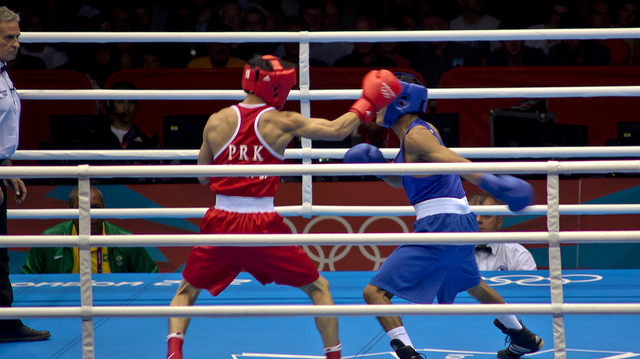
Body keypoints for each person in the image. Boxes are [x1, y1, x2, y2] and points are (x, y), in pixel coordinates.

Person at [165, 54, 402, 359]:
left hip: (220, 222)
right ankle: (334, 357)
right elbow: (336, 131)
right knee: (319, 289)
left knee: (186, 291)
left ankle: (174, 353)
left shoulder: (216, 120)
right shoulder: (281, 121)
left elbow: (201, 177)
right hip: (261, 225)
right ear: (277, 87)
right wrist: (368, 102)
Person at [343, 73, 543, 359]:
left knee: (374, 293)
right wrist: (378, 166)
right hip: (460, 223)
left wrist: (494, 183)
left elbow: (450, 158)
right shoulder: (412, 136)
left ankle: (407, 354)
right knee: (472, 283)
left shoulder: (415, 135)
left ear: (399, 101)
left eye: (379, 100)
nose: (375, 107)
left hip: (439, 225)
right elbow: (405, 179)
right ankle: (522, 336)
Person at [0, 6, 51, 343]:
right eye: (8, 37)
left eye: (18, 36)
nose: (17, 43)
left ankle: (5, 323)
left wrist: (5, 169)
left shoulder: (3, 72)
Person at [21, 186, 158, 274]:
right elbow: (26, 281)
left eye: (95, 208)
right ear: (70, 212)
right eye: (81, 209)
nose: (89, 216)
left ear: (104, 208)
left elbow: (151, 278)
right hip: (63, 308)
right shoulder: (49, 240)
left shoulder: (125, 241)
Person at [469, 193, 537, 271]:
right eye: (473, 216)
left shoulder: (519, 255)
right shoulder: (454, 253)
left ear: (499, 222)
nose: (478, 220)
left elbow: (529, 282)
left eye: (486, 215)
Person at [104, 81, 160, 151]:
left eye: (131, 102)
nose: (126, 108)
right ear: (111, 105)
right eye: (120, 102)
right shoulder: (97, 135)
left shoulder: (149, 137)